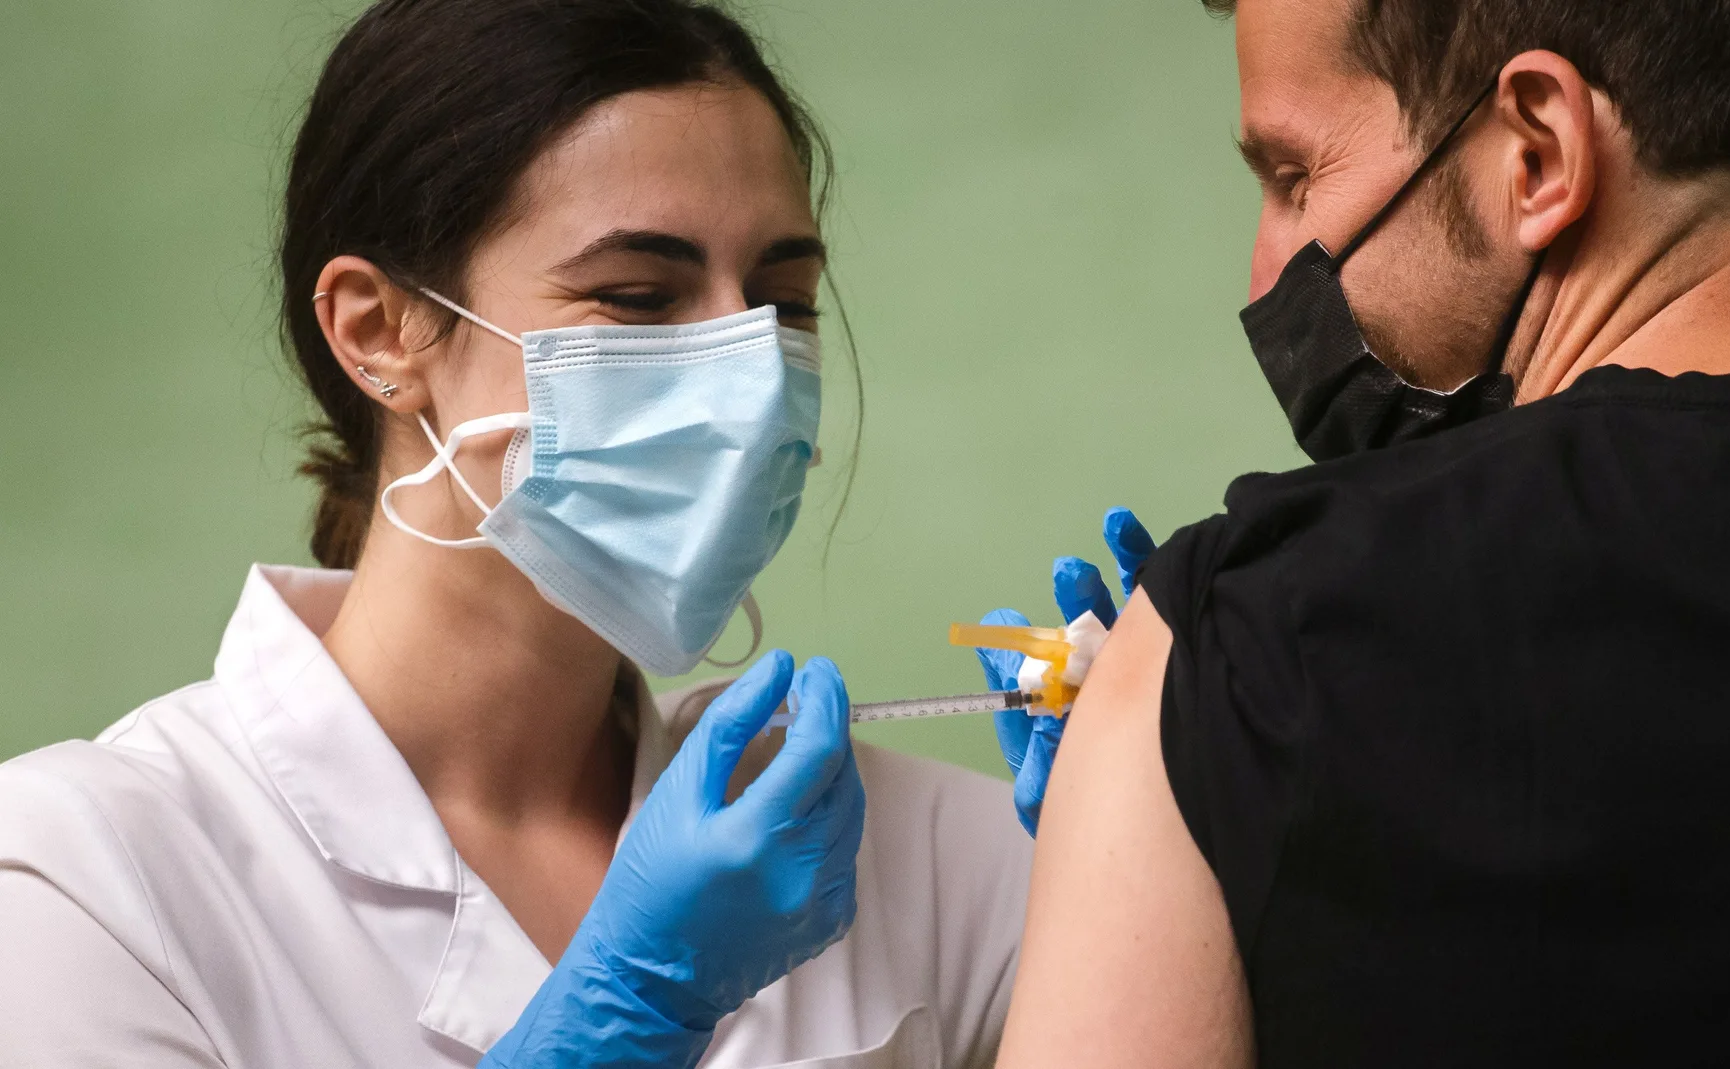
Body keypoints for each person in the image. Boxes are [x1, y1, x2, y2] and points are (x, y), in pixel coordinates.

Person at [0, 2, 1029, 1066]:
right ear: (379, 331)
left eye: (781, 304)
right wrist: (627, 1013)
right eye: (637, 295)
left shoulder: (929, 861)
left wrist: (1158, 816)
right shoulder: (86, 880)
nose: (751, 386)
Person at [996, 0, 1730, 1066]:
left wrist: (1182, 735)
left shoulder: (1236, 649)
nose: (1263, 274)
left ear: (1536, 154)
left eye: (1292, 180)